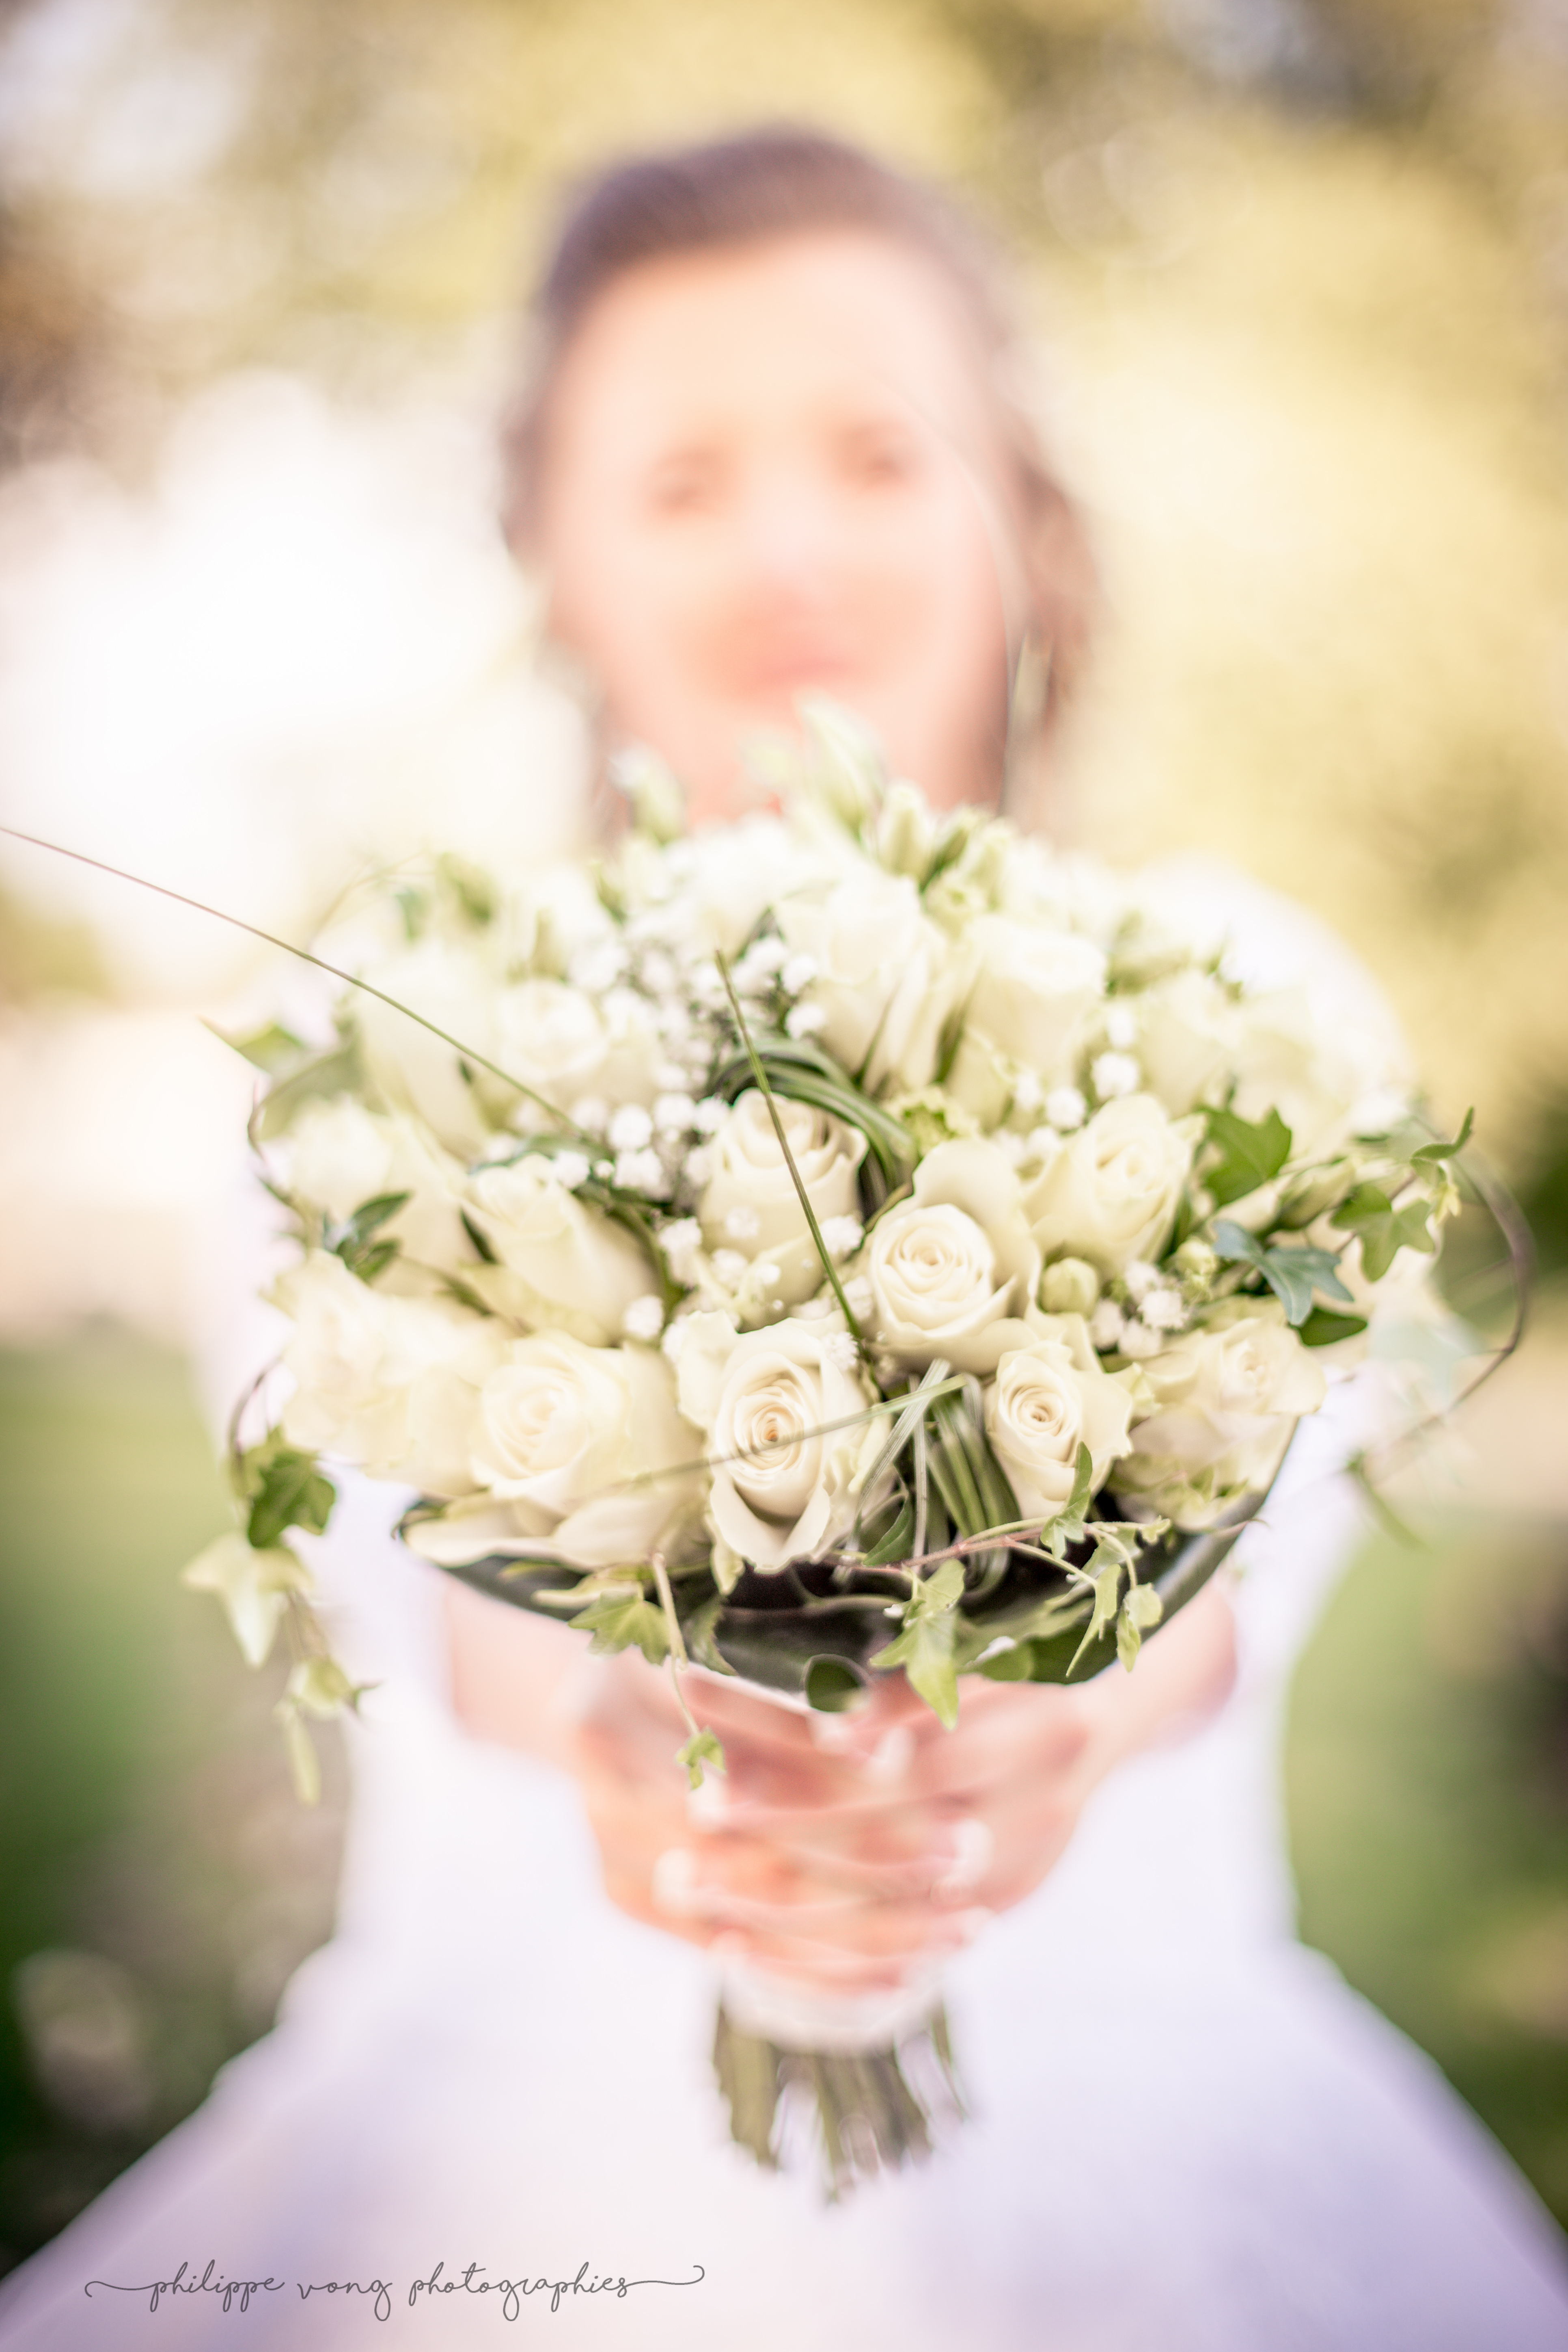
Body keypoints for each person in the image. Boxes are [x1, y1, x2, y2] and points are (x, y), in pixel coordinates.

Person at [2, 125, 1566, 2352]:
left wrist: (1032, 1738)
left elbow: (1236, 1595)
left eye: (875, 453)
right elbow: (450, 1629)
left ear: (1025, 513)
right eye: (681, 480)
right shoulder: (380, 1059)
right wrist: (665, 1754)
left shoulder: (1255, 1004)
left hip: (1156, 2148)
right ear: (549, 554)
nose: (790, 549)